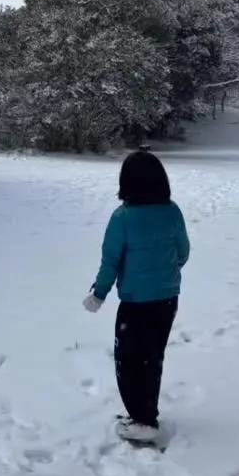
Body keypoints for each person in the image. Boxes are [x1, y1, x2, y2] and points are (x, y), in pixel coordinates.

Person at [83, 150, 190, 443]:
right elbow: (183, 252)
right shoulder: (172, 211)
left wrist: (99, 293)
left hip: (135, 304)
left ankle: (143, 420)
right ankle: (144, 415)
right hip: (167, 301)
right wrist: (166, 272)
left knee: (128, 360)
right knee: (152, 358)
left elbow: (111, 262)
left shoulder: (123, 218)